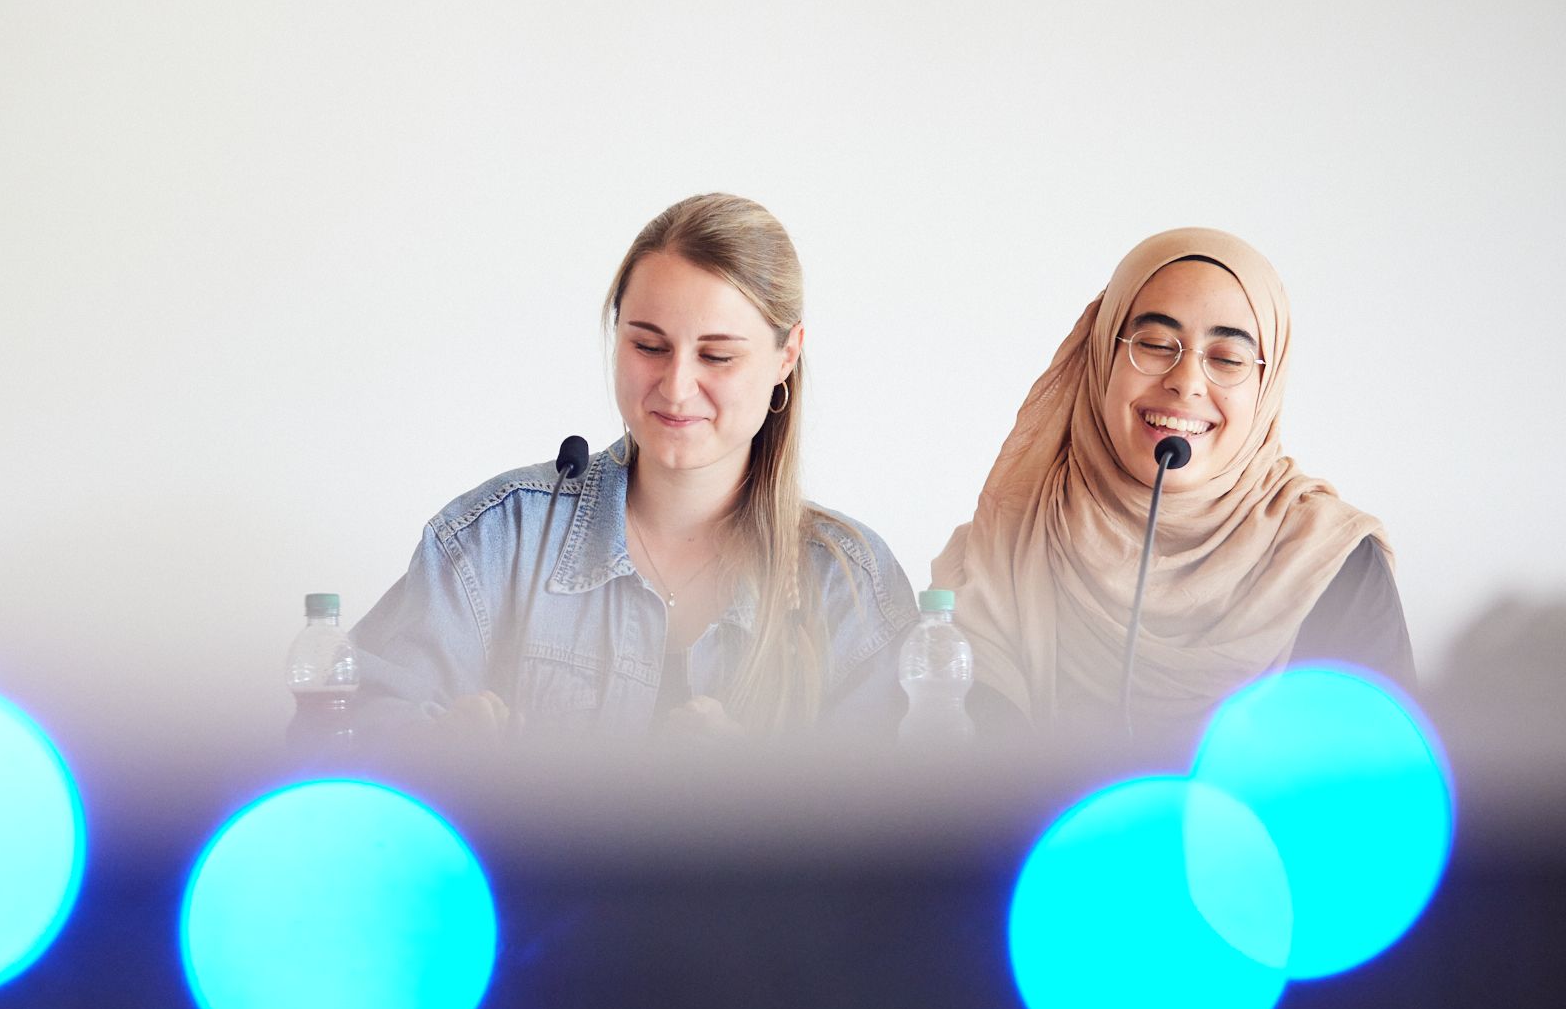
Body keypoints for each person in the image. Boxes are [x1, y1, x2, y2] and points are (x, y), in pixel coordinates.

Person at [351, 192, 916, 740]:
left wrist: (752, 789)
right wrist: (437, 756)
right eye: (648, 346)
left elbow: (900, 799)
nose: (676, 387)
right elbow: (344, 730)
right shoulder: (496, 540)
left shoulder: (850, 586)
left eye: (717, 356)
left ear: (786, 356)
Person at [930, 227, 1408, 740]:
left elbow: (1382, 774)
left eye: (1227, 359)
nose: (1186, 382)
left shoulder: (1328, 562)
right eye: (1156, 345)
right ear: (1102, 356)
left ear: (1266, 386)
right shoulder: (1004, 546)